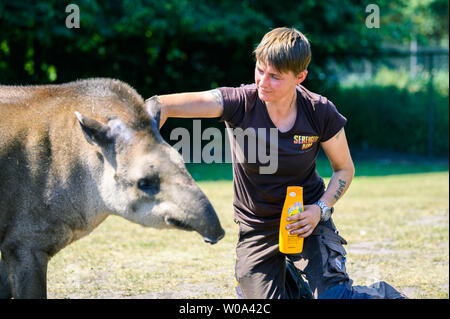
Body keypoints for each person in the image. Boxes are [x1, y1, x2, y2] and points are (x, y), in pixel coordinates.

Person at [152, 27, 406, 299]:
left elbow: (344, 169)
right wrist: (145, 137)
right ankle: (294, 283)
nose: (263, 81)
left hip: (305, 219)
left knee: (336, 297)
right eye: (260, 70)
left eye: (274, 76)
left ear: (300, 77)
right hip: (257, 228)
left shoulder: (319, 111)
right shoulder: (238, 102)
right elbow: (160, 105)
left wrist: (320, 209)